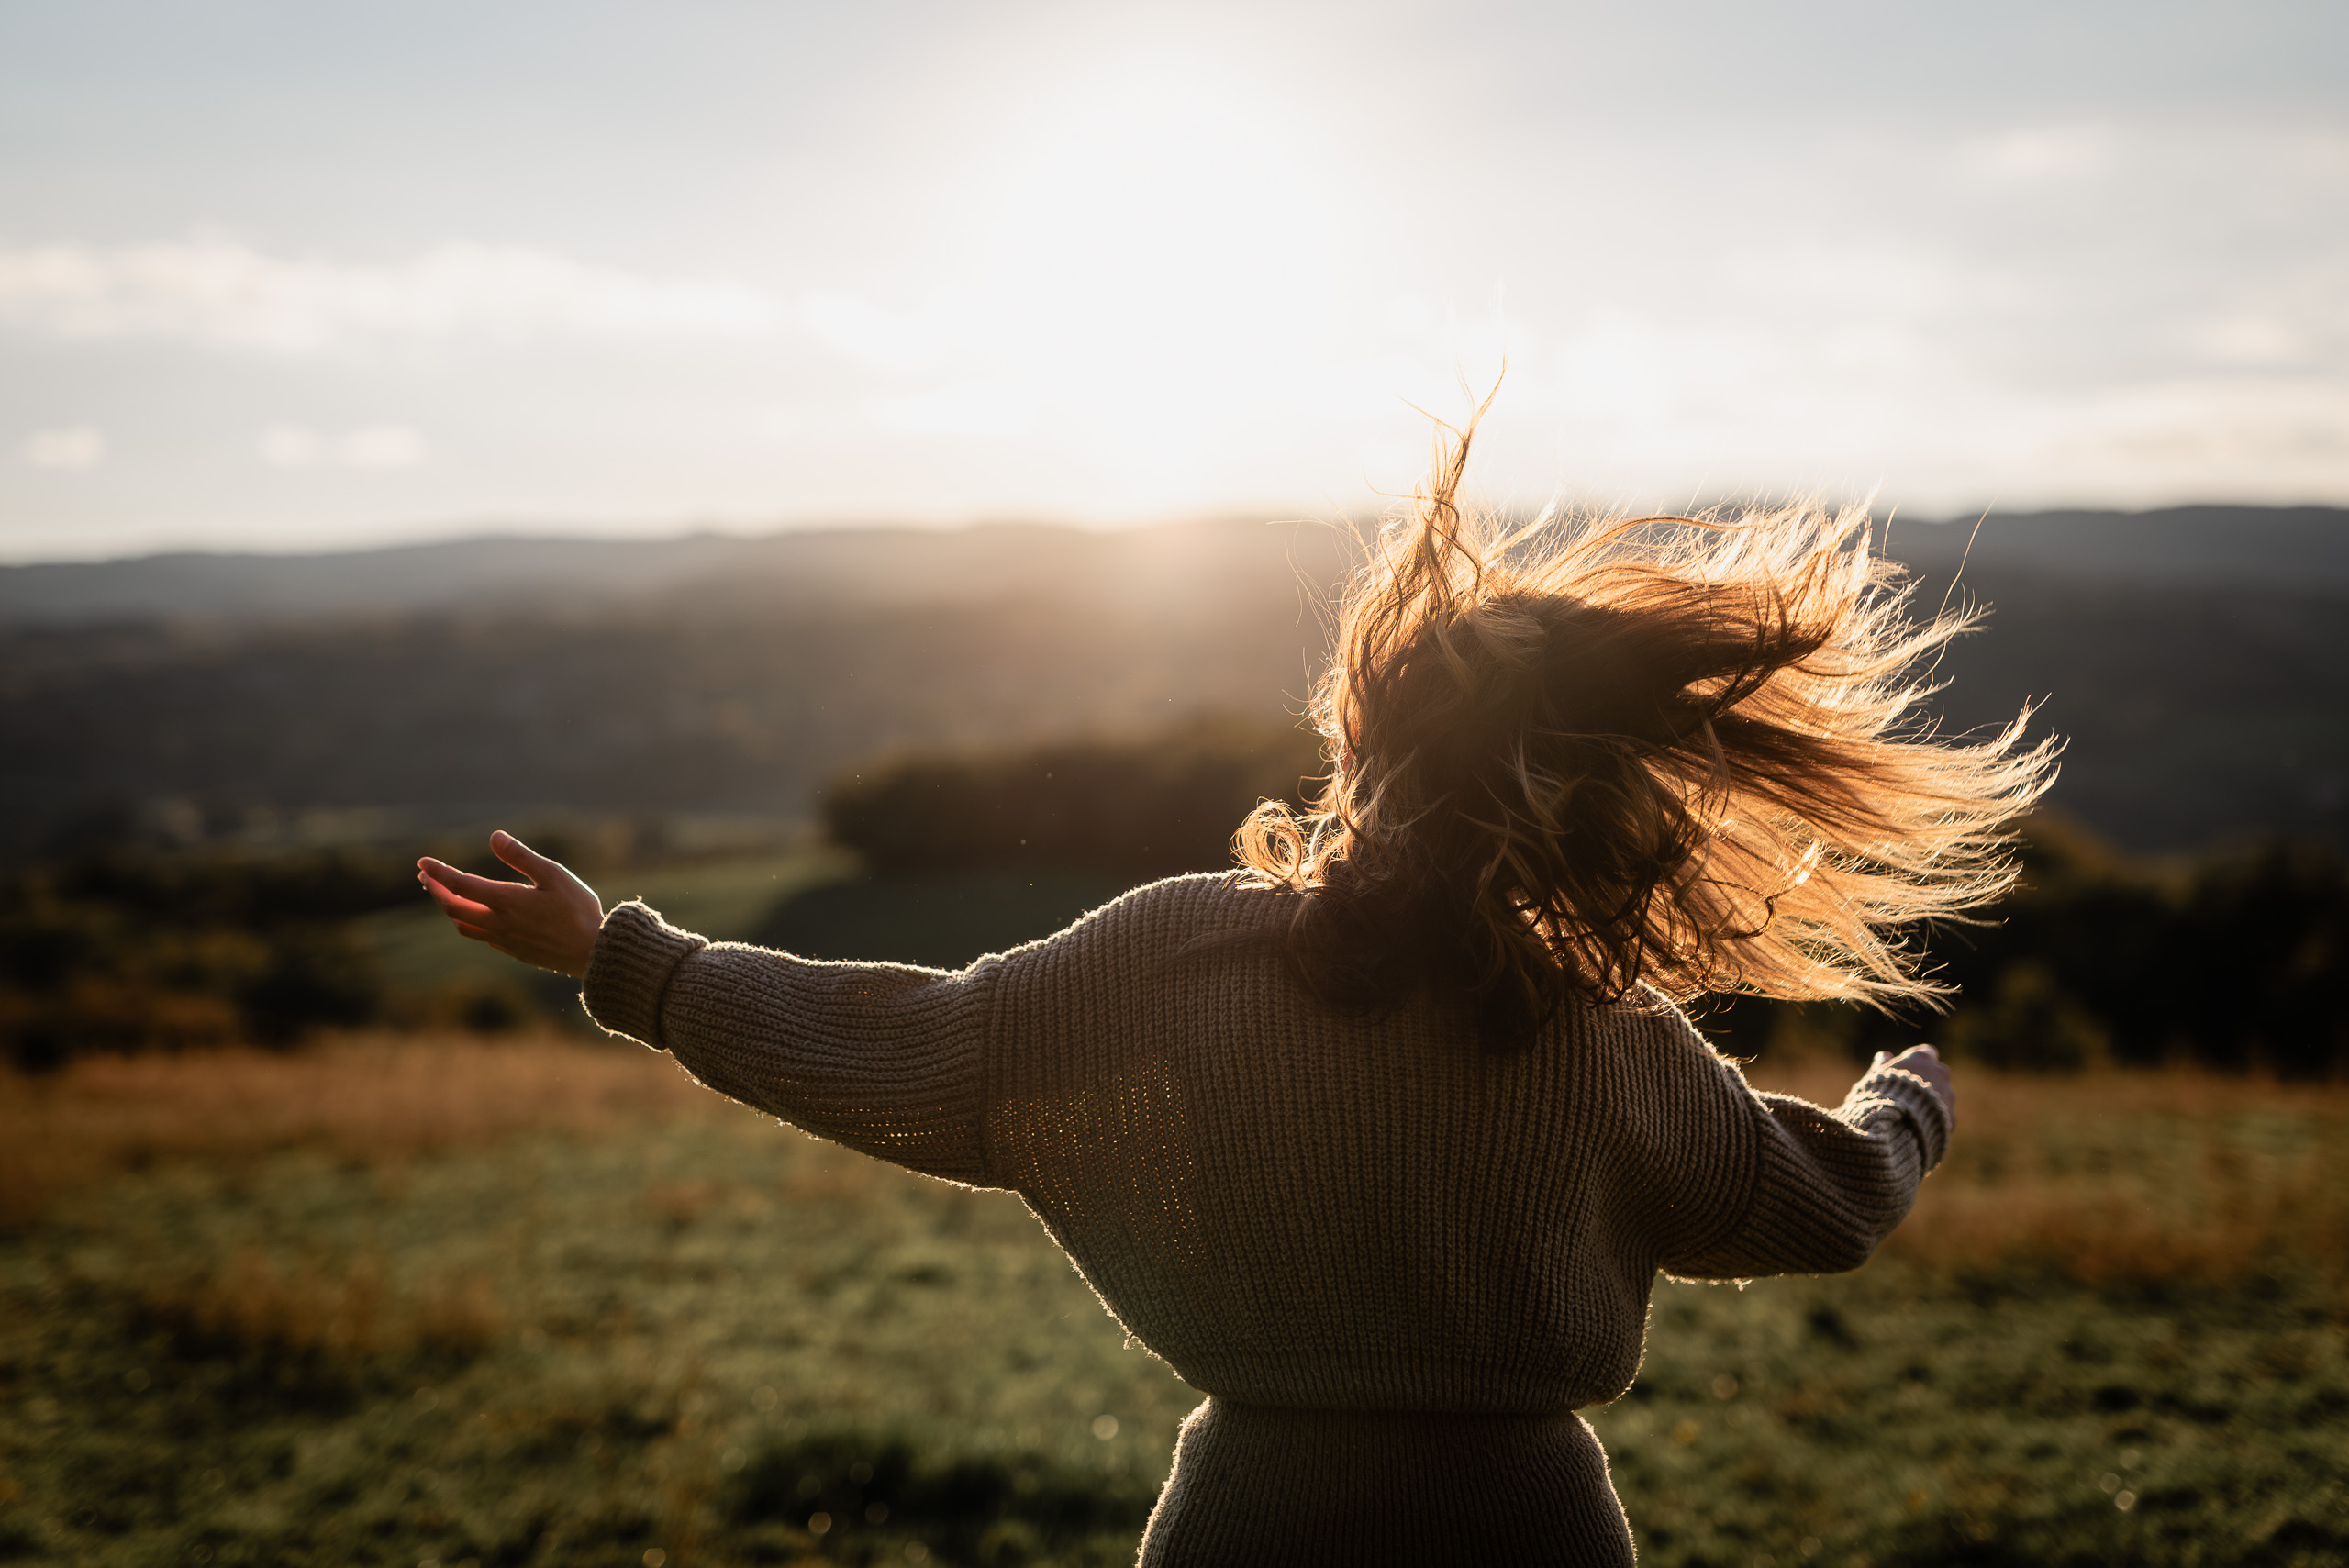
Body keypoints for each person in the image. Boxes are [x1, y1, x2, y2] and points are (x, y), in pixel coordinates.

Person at [419, 413, 2051, 1564]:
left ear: (1366, 740)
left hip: (1248, 1524)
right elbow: (1818, 1202)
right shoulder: (1606, 1037)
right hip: (1534, 1531)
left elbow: (918, 1045)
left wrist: (627, 958)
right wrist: (1905, 1105)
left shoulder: (1177, 954)